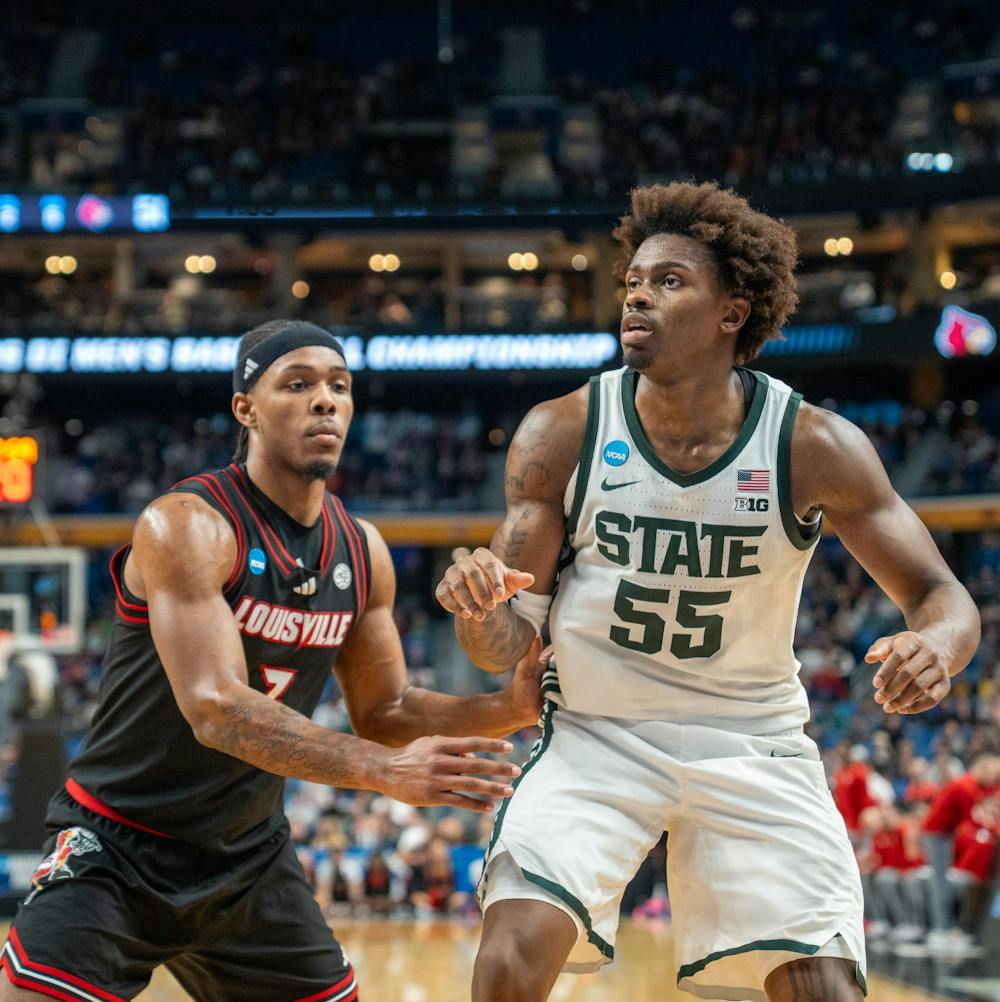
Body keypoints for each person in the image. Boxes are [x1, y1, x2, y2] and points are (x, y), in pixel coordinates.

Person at [435, 182, 981, 1002]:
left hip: (751, 739)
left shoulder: (813, 444)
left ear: (733, 312)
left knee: (826, 989)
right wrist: (481, 613)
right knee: (508, 957)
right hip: (598, 734)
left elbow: (943, 594)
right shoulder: (563, 430)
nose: (639, 298)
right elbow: (505, 643)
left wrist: (934, 646)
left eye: (669, 282)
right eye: (634, 282)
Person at [1, 320, 543, 1002]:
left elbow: (387, 711)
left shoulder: (361, 549)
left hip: (248, 858)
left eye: (339, 387)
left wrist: (509, 708)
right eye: (299, 384)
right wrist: (383, 771)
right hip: (120, 846)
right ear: (245, 409)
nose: (326, 401)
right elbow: (217, 708)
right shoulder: (188, 524)